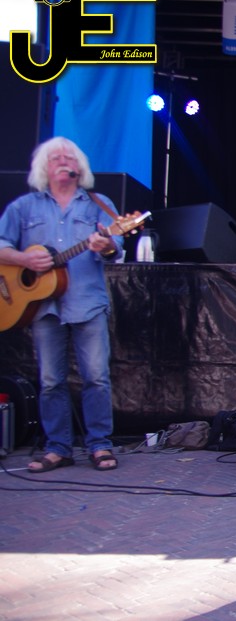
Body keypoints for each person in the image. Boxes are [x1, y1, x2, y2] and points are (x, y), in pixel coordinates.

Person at [0, 137, 123, 473]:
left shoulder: (98, 204)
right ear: (45, 167)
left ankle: (100, 445)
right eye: (56, 157)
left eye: (70, 157)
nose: (64, 161)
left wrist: (104, 244)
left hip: (87, 302)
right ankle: (58, 448)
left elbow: (116, 247)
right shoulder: (25, 207)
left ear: (80, 167)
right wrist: (24, 259)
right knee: (51, 380)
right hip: (42, 307)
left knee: (96, 377)